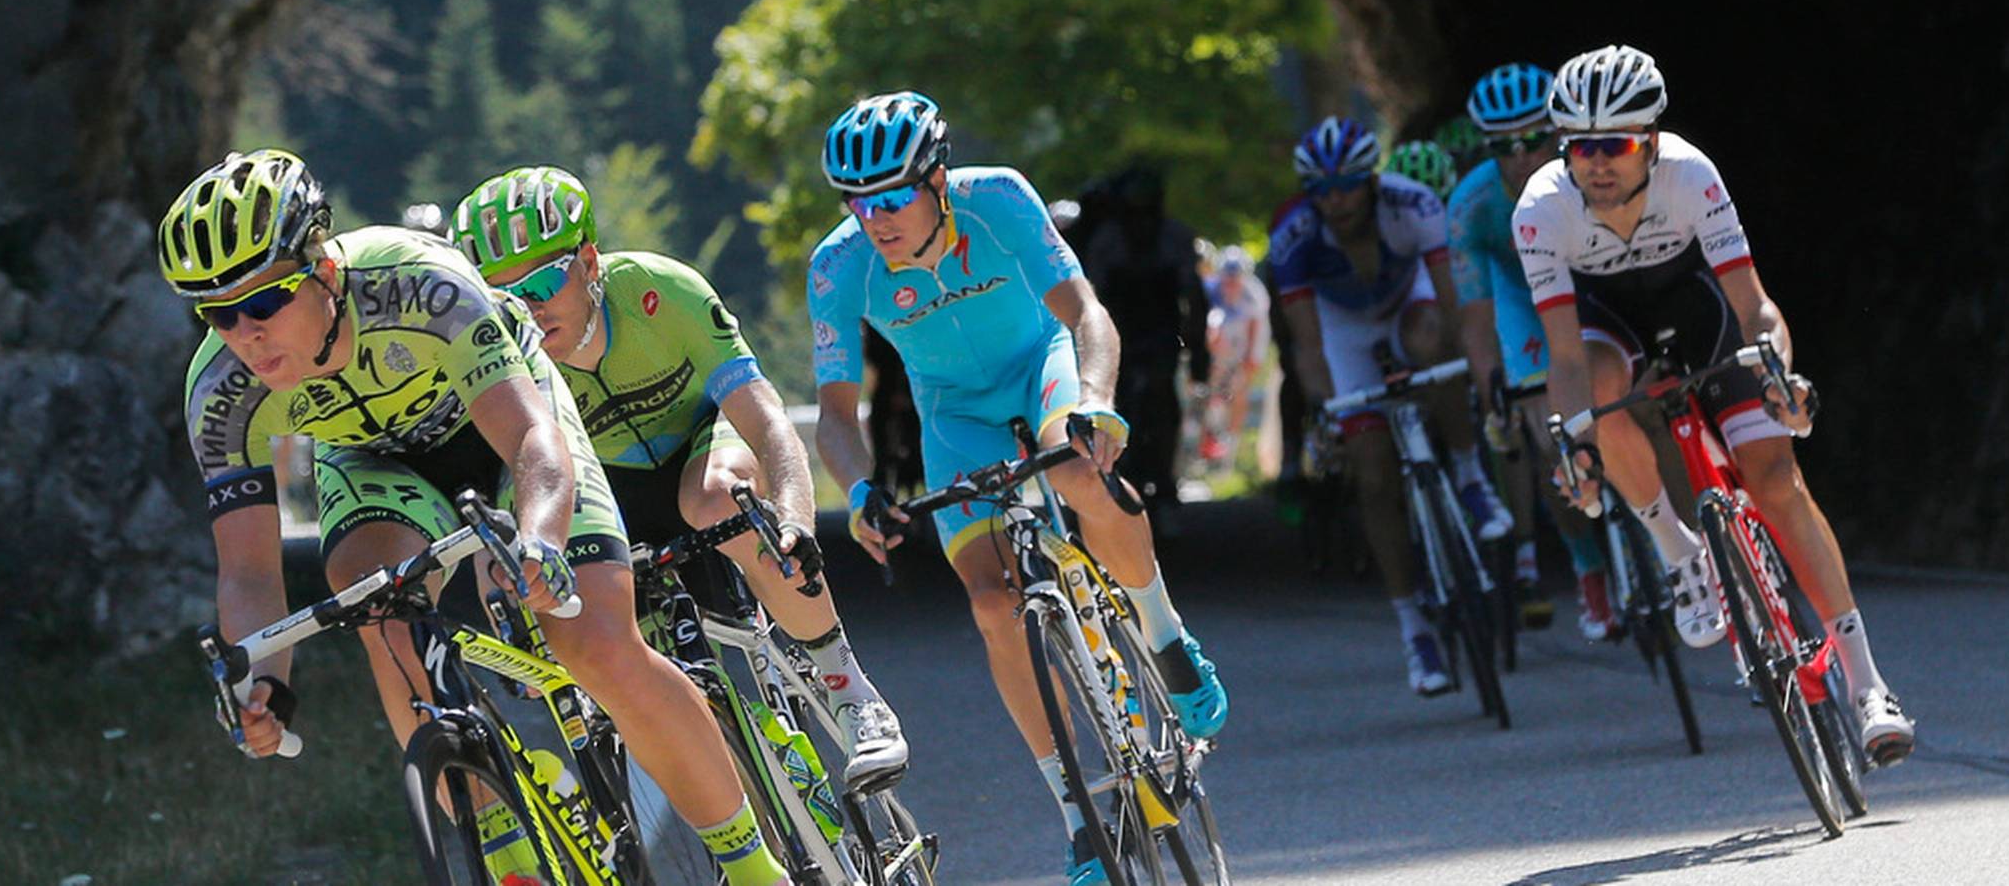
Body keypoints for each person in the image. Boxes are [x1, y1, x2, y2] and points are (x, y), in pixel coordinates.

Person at [164, 149, 794, 886]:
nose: (244, 332)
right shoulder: (217, 391)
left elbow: (532, 438)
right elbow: (246, 570)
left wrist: (540, 538)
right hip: (375, 462)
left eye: (265, 302)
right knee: (373, 594)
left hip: (502, 427)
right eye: (216, 312)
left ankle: (755, 871)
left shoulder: (421, 284)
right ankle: (503, 845)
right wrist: (262, 683)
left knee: (595, 639)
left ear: (325, 272)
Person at [804, 92, 1228, 886]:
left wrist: (1096, 399)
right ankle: (1078, 815)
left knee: (1073, 467)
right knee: (994, 602)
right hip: (954, 413)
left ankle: (1165, 634)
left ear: (936, 181)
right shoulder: (837, 263)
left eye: (894, 196)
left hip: (1042, 369)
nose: (877, 217)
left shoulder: (996, 196)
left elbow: (1086, 313)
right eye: (860, 202)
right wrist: (860, 487)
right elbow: (834, 411)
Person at [1517, 46, 1917, 764]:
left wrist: (1777, 376)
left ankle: (1867, 683)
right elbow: (1567, 358)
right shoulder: (1540, 210)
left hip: (1702, 310)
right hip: (1607, 324)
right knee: (1600, 400)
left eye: (1617, 144)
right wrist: (1575, 442)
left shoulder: (1691, 175)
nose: (1598, 162)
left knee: (1773, 479)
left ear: (1653, 142)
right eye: (1581, 146)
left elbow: (1754, 306)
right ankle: (1679, 551)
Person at [450, 165, 909, 787]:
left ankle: (851, 693)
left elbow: (766, 420)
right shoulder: (503, 362)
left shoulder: (661, 292)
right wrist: (512, 610)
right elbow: (504, 499)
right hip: (612, 494)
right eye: (505, 301)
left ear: (588, 261)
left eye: (543, 282)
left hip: (704, 449)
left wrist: (797, 520)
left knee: (716, 500)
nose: (527, 312)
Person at [1270, 115, 1512, 697]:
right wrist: (1331, 409)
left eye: (1349, 185)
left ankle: (1468, 473)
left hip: (1412, 302)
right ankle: (1414, 629)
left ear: (1372, 181)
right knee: (1374, 473)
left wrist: (1469, 373)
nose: (1337, 201)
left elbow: (1455, 307)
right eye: (1323, 191)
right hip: (1343, 328)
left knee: (1434, 344)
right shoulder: (1294, 236)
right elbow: (1307, 347)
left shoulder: (1416, 205)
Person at [1449, 62, 1617, 639]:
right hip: (1521, 300)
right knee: (1551, 437)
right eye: (1503, 146)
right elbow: (1475, 317)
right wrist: (1491, 383)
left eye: (1533, 140)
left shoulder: (1593, 174)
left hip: (1593, 276)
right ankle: (1590, 568)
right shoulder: (1471, 206)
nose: (1521, 156)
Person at [1074, 165, 1210, 527]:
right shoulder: (1106, 241)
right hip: (1117, 335)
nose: (1141, 225)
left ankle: (1165, 482)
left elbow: (1194, 299)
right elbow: (1089, 299)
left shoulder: (1176, 239)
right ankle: (1115, 475)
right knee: (1115, 402)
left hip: (1162, 333)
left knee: (1163, 397)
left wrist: (1199, 352)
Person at [1198, 245, 1272, 472]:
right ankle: (1204, 443)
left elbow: (1256, 333)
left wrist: (1248, 364)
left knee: (1239, 391)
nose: (1230, 285)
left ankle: (1232, 445)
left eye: (1235, 279)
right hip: (1219, 348)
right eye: (1226, 279)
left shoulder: (1255, 296)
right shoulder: (1210, 290)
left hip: (1244, 346)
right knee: (1207, 391)